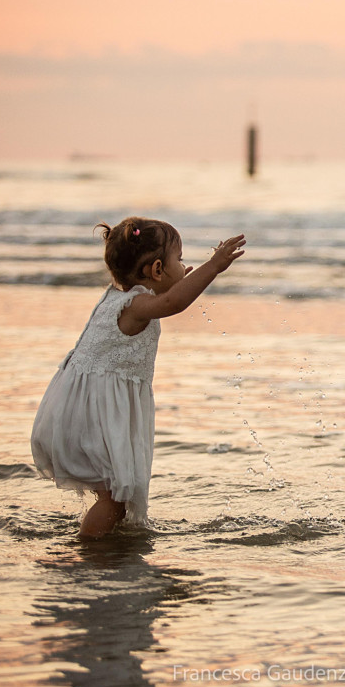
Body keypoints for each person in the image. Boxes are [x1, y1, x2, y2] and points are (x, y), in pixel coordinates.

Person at [31, 217, 246, 539]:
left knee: (111, 493)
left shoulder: (116, 297)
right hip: (99, 413)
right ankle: (89, 550)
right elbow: (173, 302)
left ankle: (97, 539)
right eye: (181, 260)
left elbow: (170, 293)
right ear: (157, 270)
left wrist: (184, 277)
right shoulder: (137, 305)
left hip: (78, 406)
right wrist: (213, 266)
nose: (185, 268)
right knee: (116, 499)